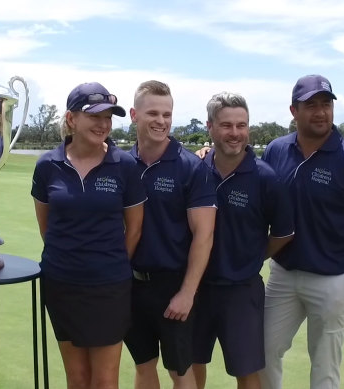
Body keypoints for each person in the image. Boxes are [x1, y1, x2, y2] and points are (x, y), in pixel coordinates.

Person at [258, 75, 344, 389]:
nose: (320, 112)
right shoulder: (277, 150)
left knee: (325, 369)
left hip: (333, 281)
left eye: (326, 104)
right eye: (311, 105)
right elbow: (257, 198)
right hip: (283, 275)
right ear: (294, 110)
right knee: (262, 353)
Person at [31, 82, 145, 389]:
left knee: (105, 380)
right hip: (61, 283)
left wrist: (111, 263)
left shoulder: (124, 165)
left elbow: (133, 228)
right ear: (71, 119)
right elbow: (47, 226)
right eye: (94, 116)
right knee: (77, 377)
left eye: (108, 117)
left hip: (109, 286)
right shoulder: (47, 166)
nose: (103, 124)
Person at [191, 92, 294, 389]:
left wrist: (253, 256)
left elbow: (284, 233)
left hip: (241, 291)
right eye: (226, 125)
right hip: (195, 287)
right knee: (190, 363)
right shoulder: (195, 170)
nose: (235, 133)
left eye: (241, 125)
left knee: (247, 371)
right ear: (210, 127)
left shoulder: (266, 178)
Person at [124, 80, 217, 389]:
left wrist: (187, 293)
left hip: (173, 285)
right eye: (153, 113)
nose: (161, 121)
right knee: (143, 366)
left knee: (180, 371)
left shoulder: (190, 167)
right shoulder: (121, 164)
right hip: (130, 284)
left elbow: (204, 235)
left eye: (167, 114)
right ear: (134, 115)